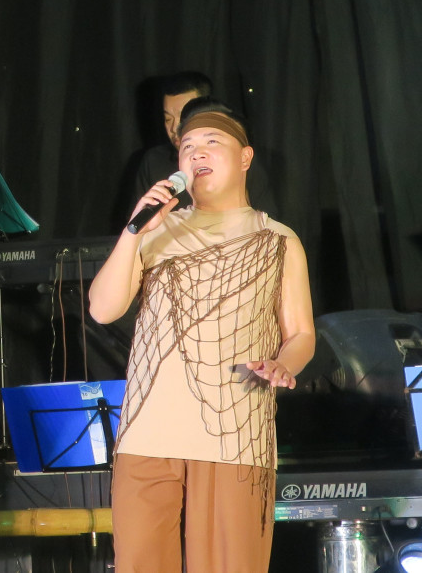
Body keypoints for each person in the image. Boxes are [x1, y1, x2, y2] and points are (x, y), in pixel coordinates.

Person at [89, 102, 314, 572]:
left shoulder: (277, 239)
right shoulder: (156, 230)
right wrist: (134, 230)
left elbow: (300, 334)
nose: (197, 153)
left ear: (245, 157)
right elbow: (103, 309)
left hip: (234, 434)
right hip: (148, 432)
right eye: (187, 146)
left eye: (213, 142)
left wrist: (283, 364)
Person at [135, 72, 277, 216]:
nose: (175, 128)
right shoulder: (153, 161)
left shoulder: (238, 162)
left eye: (184, 116)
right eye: (168, 119)